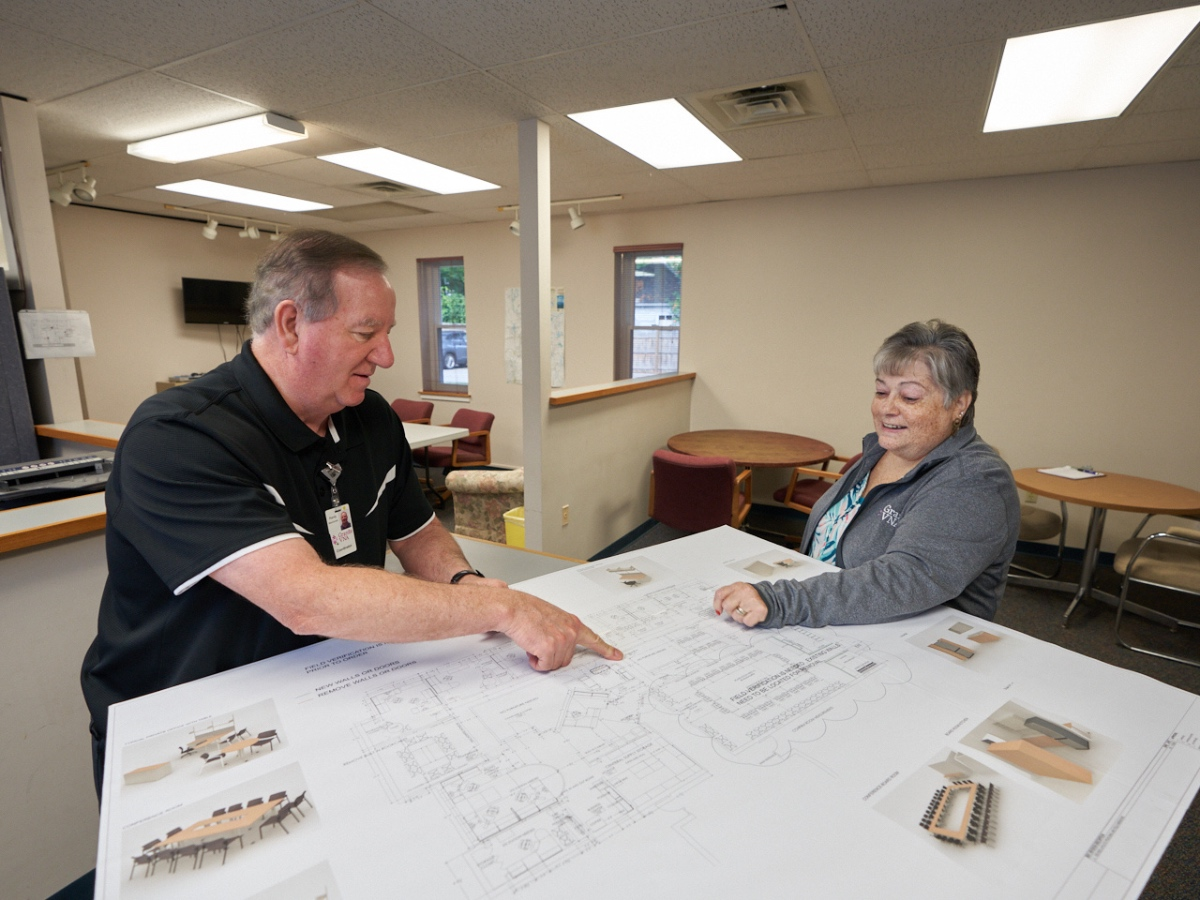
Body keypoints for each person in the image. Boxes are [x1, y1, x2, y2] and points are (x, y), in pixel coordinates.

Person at [81, 229, 620, 796]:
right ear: (290, 324)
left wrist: (466, 582)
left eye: (388, 333)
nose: (385, 356)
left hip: (325, 689)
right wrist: (497, 607)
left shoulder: (369, 416)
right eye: (366, 333)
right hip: (192, 725)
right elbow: (305, 598)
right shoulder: (179, 436)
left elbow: (418, 534)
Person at [713, 319, 1019, 629]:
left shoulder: (976, 479)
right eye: (881, 391)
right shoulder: (880, 452)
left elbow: (904, 579)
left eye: (910, 397)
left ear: (959, 405)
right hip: (831, 627)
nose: (888, 408)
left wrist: (782, 600)